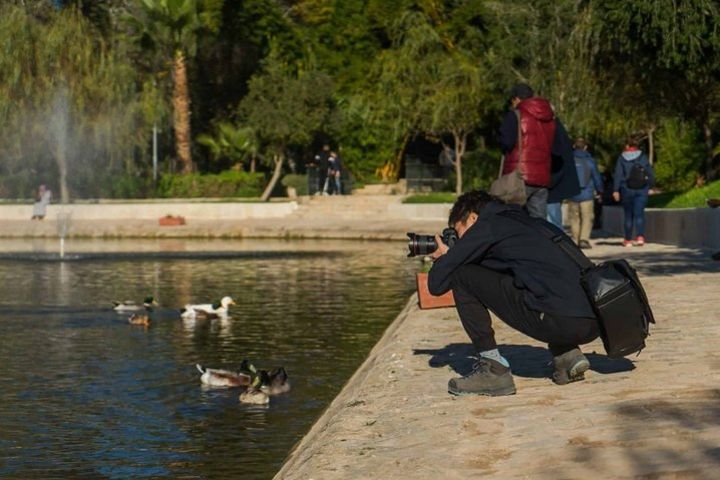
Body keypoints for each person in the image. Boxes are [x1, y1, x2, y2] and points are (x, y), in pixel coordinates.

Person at [428, 189, 600, 396]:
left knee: (461, 274)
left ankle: (493, 371)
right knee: (539, 284)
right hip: (592, 322)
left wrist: (445, 257)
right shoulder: (528, 222)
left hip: (561, 321)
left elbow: (436, 285)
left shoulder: (487, 225)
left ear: (472, 217)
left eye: (458, 231)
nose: (459, 239)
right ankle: (567, 356)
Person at [499, 83, 580, 219]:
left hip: (518, 177)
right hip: (542, 179)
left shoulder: (516, 115)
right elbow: (559, 147)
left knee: (514, 220)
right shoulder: (549, 118)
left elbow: (505, 142)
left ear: (516, 99)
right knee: (539, 222)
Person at [612, 137, 655, 247]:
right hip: (642, 189)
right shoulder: (643, 157)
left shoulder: (622, 158)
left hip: (626, 189)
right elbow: (649, 173)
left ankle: (628, 240)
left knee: (628, 215)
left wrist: (616, 190)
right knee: (639, 214)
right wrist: (651, 186)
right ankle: (640, 237)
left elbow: (618, 175)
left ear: (627, 145)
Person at [567, 138, 603, 249]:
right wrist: (600, 190)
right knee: (587, 217)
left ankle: (576, 239)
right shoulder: (590, 160)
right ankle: (583, 240)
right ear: (585, 147)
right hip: (587, 194)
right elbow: (596, 177)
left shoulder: (569, 160)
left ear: (574, 146)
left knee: (574, 218)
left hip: (572, 193)